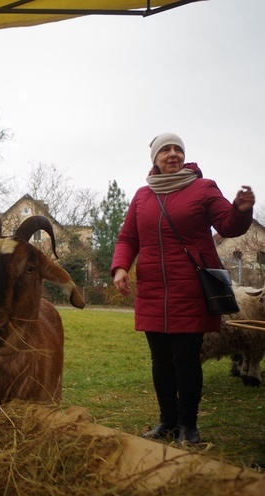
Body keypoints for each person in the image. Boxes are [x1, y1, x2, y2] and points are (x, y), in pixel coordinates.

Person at [112, 132, 255, 444]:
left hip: (191, 288)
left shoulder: (203, 188)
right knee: (160, 361)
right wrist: (121, 267)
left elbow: (228, 226)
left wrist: (241, 211)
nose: (172, 154)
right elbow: (128, 238)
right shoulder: (142, 196)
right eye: (165, 150)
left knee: (186, 360)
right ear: (155, 159)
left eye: (177, 148)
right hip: (152, 290)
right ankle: (167, 422)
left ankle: (188, 426)